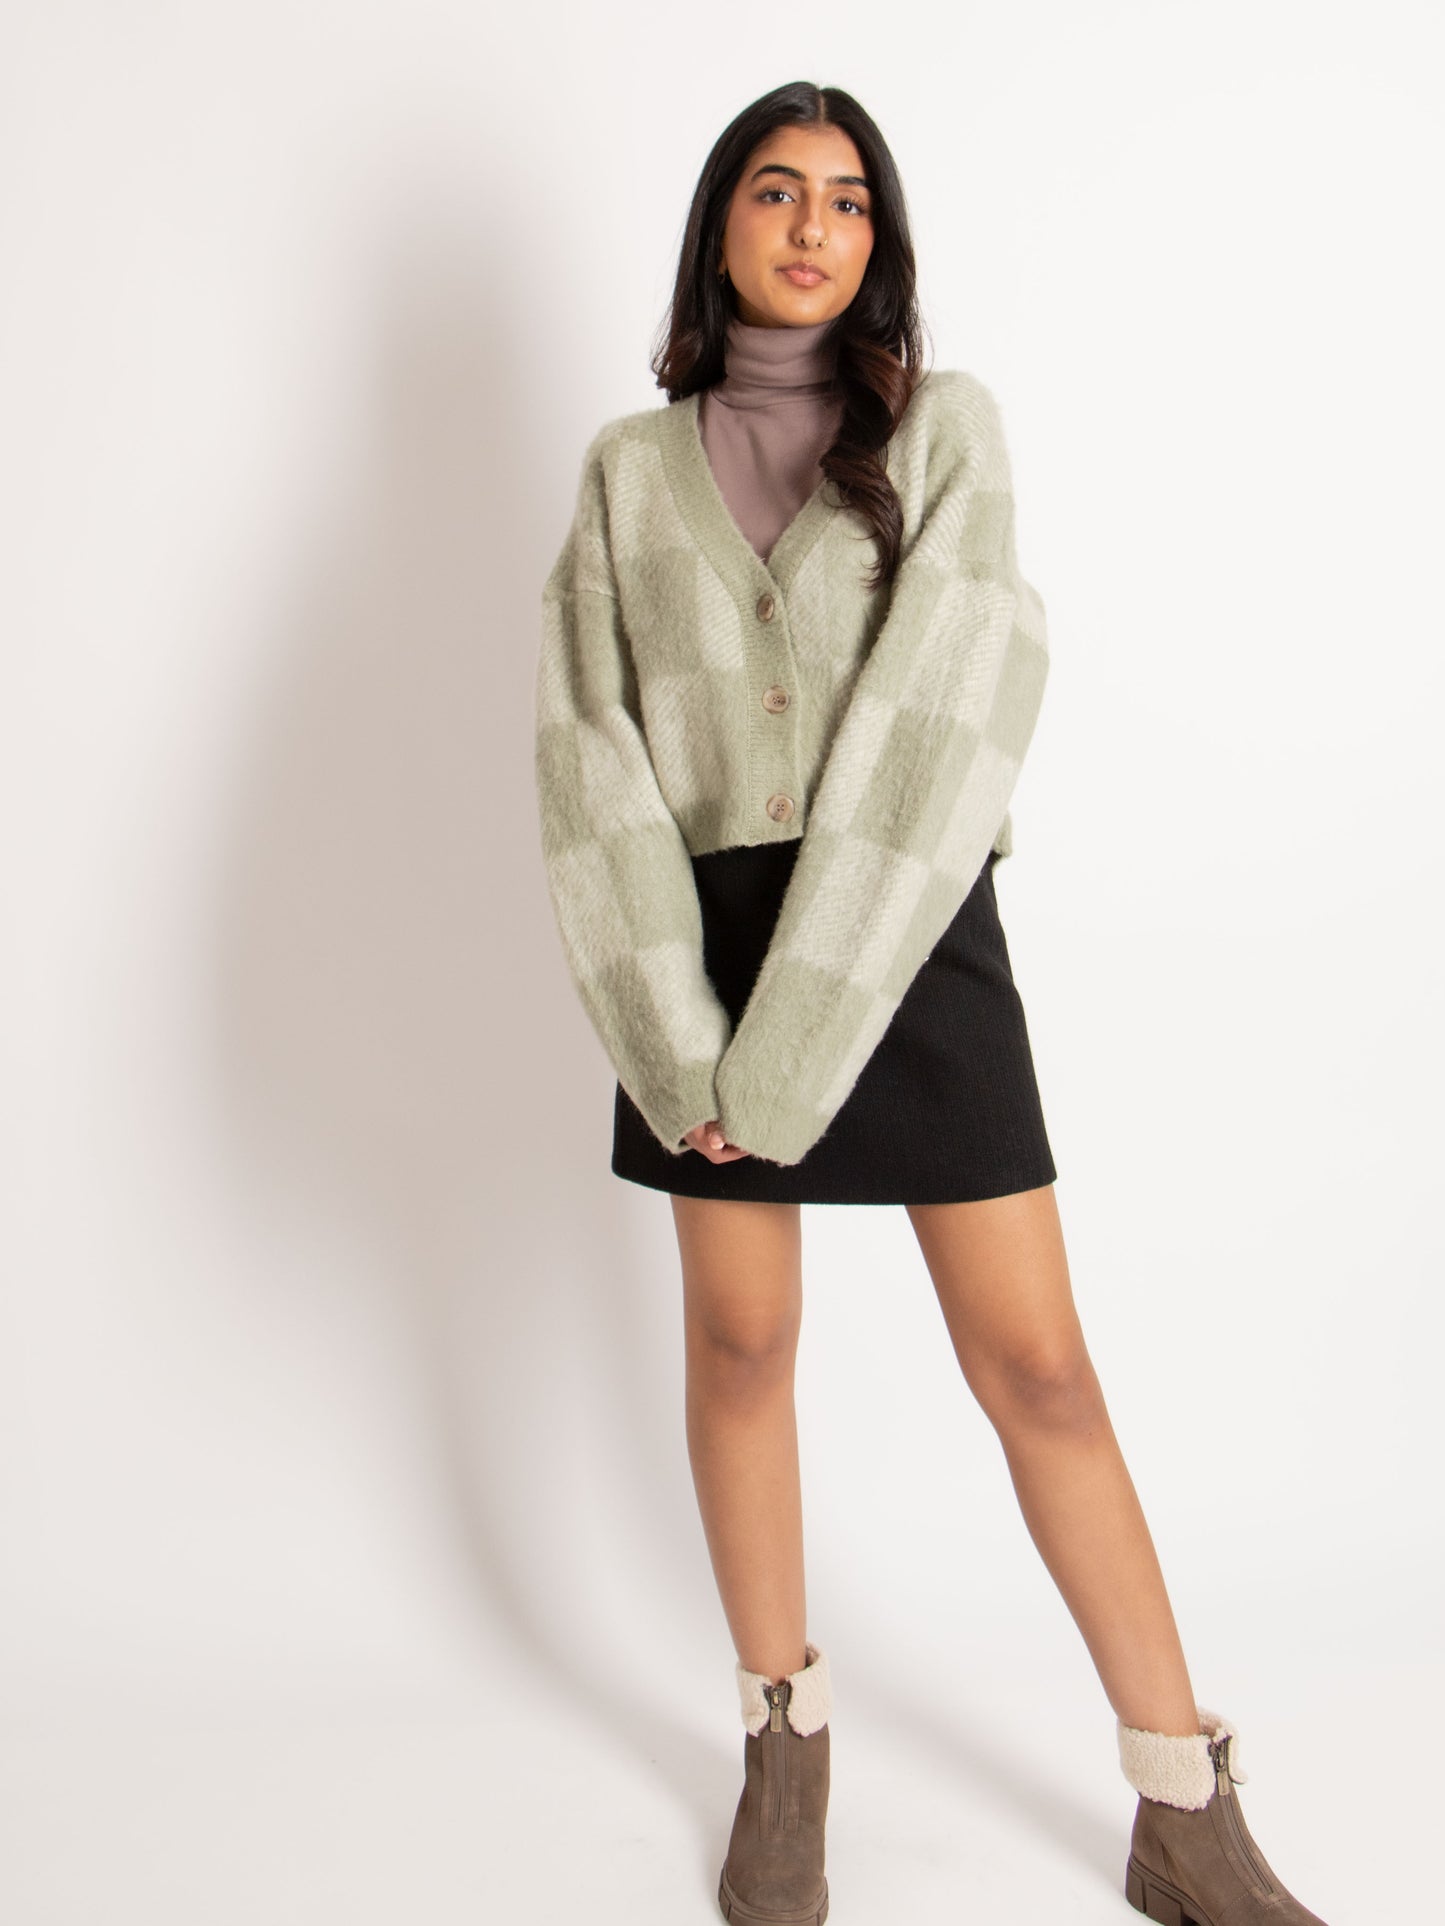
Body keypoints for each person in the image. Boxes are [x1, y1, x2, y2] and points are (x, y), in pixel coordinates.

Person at [534, 78, 1331, 1926]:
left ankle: (1181, 1798)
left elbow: (945, 713)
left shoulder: (943, 428)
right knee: (741, 1345)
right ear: (719, 229)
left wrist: (794, 1050)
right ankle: (783, 1750)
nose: (811, 226)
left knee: (1036, 1366)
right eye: (774, 192)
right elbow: (587, 754)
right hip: (696, 956)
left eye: (846, 201)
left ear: (877, 241)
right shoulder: (625, 472)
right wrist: (676, 1040)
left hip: (904, 930)